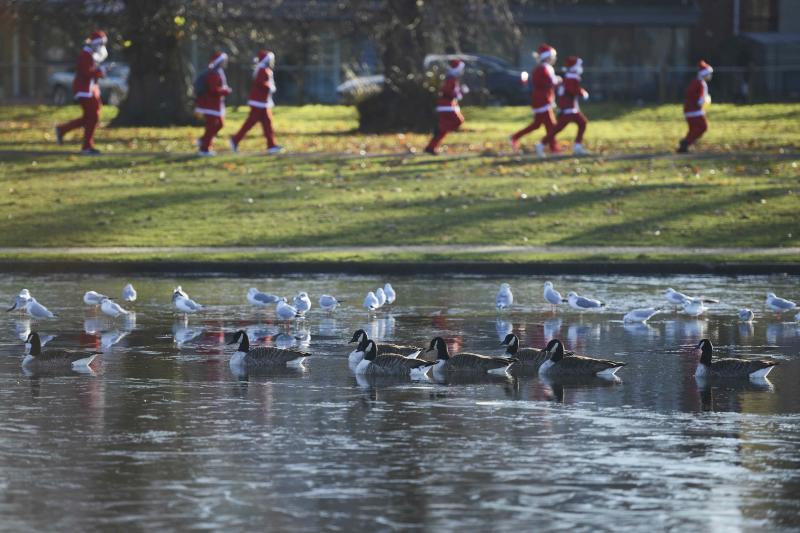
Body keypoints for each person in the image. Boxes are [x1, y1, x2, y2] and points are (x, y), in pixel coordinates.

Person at [54, 30, 108, 155]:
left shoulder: (91, 55)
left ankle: (62, 130)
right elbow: (87, 72)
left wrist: (100, 70)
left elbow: (91, 72)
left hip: (90, 90)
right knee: (93, 117)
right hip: (85, 90)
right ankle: (86, 146)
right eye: (100, 44)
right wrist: (100, 72)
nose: (101, 47)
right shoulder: (86, 55)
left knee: (89, 117)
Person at [510, 43, 561, 158]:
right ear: (547, 57)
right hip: (542, 99)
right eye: (553, 56)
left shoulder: (545, 68)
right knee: (551, 126)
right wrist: (556, 82)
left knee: (537, 124)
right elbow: (544, 83)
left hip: (543, 99)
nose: (554, 59)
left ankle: (514, 137)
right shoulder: (542, 69)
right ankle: (553, 147)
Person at [230, 50, 282, 154]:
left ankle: (271, 145)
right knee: (251, 123)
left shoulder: (264, 69)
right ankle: (235, 139)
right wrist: (270, 87)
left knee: (267, 124)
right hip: (259, 102)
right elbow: (260, 83)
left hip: (263, 102)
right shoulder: (262, 70)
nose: (273, 61)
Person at [544, 56, 590, 156]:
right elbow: (572, 90)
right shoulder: (571, 77)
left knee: (582, 123)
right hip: (568, 108)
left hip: (571, 107)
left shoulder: (571, 76)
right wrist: (582, 93)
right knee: (558, 128)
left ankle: (577, 146)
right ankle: (541, 143)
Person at [424, 59, 467, 155]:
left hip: (448, 105)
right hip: (447, 105)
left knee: (444, 129)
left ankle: (431, 147)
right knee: (457, 121)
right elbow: (448, 91)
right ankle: (440, 129)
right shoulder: (451, 78)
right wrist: (456, 94)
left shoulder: (452, 78)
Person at [195, 51, 232, 156]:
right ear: (219, 61)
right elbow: (213, 89)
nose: (226, 62)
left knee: (220, 124)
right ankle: (204, 149)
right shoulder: (213, 73)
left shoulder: (218, 71)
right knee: (211, 126)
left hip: (215, 104)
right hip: (210, 104)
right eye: (224, 60)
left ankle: (203, 140)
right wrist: (226, 91)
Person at [678, 60, 713, 153]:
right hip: (695, 111)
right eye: (709, 74)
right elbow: (700, 100)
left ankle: (684, 146)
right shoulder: (701, 84)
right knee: (703, 127)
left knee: (693, 129)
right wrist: (707, 100)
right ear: (704, 74)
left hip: (688, 110)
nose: (710, 76)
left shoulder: (695, 82)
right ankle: (686, 142)